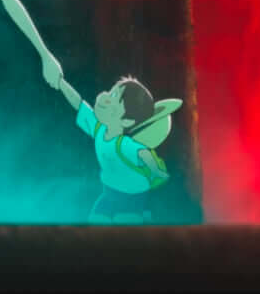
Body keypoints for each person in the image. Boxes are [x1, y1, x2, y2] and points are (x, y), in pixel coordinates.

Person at [57, 75, 182, 223]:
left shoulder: (123, 143)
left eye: (115, 98)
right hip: (110, 192)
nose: (105, 96)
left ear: (126, 121)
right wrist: (61, 83)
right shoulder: (99, 130)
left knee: (126, 220)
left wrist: (155, 171)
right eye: (111, 92)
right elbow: (78, 103)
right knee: (96, 219)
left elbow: (144, 153)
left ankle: (143, 215)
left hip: (133, 195)